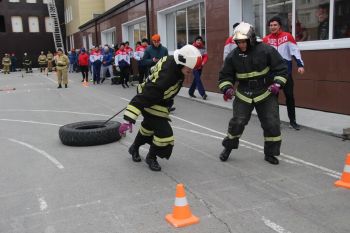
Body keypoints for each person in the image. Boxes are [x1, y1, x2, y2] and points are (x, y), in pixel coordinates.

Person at [119, 44, 202, 171]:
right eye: (189, 69)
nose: (190, 72)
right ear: (182, 62)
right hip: (152, 102)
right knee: (165, 134)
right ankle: (151, 157)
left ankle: (134, 148)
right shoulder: (167, 77)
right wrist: (128, 119)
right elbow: (146, 96)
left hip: (159, 102)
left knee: (148, 128)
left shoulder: (172, 60)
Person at [218, 22, 288, 165]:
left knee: (272, 123)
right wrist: (227, 88)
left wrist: (277, 84)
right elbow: (225, 76)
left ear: (251, 39)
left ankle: (271, 153)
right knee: (237, 123)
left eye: (244, 41)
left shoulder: (266, 50)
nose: (241, 45)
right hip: (244, 93)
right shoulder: (232, 56)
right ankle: (228, 148)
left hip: (266, 92)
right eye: (238, 42)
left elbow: (281, 69)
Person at [263, 16, 305, 130]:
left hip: (285, 73)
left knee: (290, 97)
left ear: (279, 26)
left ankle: (293, 121)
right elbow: (262, 56)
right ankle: (275, 122)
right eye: (271, 25)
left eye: (275, 25)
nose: (273, 27)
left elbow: (295, 51)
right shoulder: (265, 40)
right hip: (271, 74)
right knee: (273, 99)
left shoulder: (287, 36)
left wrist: (300, 65)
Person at [189, 35, 208, 100]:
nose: (199, 41)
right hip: (194, 66)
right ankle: (203, 94)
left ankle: (190, 92)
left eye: (200, 40)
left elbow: (205, 56)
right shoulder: (192, 47)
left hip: (200, 66)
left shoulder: (203, 48)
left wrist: (203, 62)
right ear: (195, 41)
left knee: (196, 80)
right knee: (198, 80)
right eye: (198, 40)